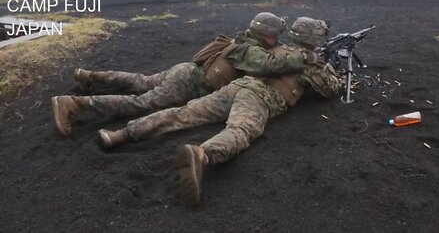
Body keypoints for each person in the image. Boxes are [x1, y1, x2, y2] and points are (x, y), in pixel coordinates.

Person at [96, 17, 341, 207]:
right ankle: (202, 155)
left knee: (183, 113)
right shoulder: (312, 63)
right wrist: (330, 68)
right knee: (241, 130)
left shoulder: (278, 49)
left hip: (236, 87)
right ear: (313, 39)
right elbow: (331, 90)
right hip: (258, 98)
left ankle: (120, 135)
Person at [52, 12, 314, 137]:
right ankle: (76, 104)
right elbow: (267, 66)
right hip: (189, 82)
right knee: (141, 102)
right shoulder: (250, 51)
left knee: (141, 81)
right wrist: (301, 57)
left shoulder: (243, 39)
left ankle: (90, 76)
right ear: (267, 35)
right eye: (276, 36)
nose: (277, 40)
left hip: (185, 71)